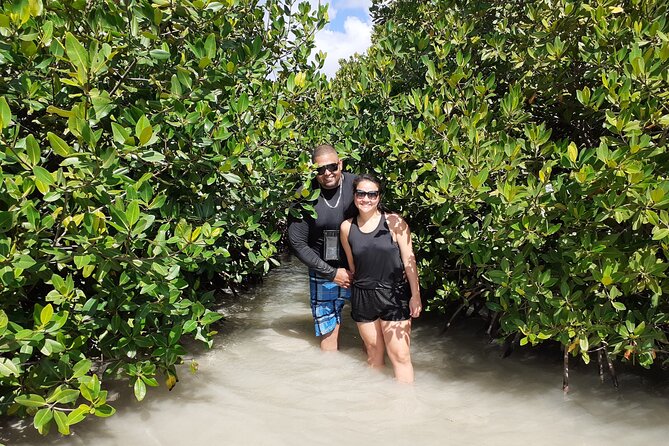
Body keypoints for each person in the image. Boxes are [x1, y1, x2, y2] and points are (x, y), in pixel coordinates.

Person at [340, 173, 422, 383]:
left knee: (401, 356)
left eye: (372, 194)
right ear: (354, 195)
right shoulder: (346, 227)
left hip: (394, 295)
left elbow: (409, 261)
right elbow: (353, 266)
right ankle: (376, 404)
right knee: (374, 355)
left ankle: (405, 408)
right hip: (363, 297)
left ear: (379, 197)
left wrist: (415, 296)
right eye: (361, 193)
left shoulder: (395, 222)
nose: (366, 199)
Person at [287, 144, 358, 351]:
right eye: (320, 169)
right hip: (323, 270)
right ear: (313, 171)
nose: (327, 173)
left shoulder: (357, 186)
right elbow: (297, 243)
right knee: (328, 337)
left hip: (359, 268)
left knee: (369, 331)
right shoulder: (304, 196)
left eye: (332, 167)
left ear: (340, 164)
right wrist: (331, 273)